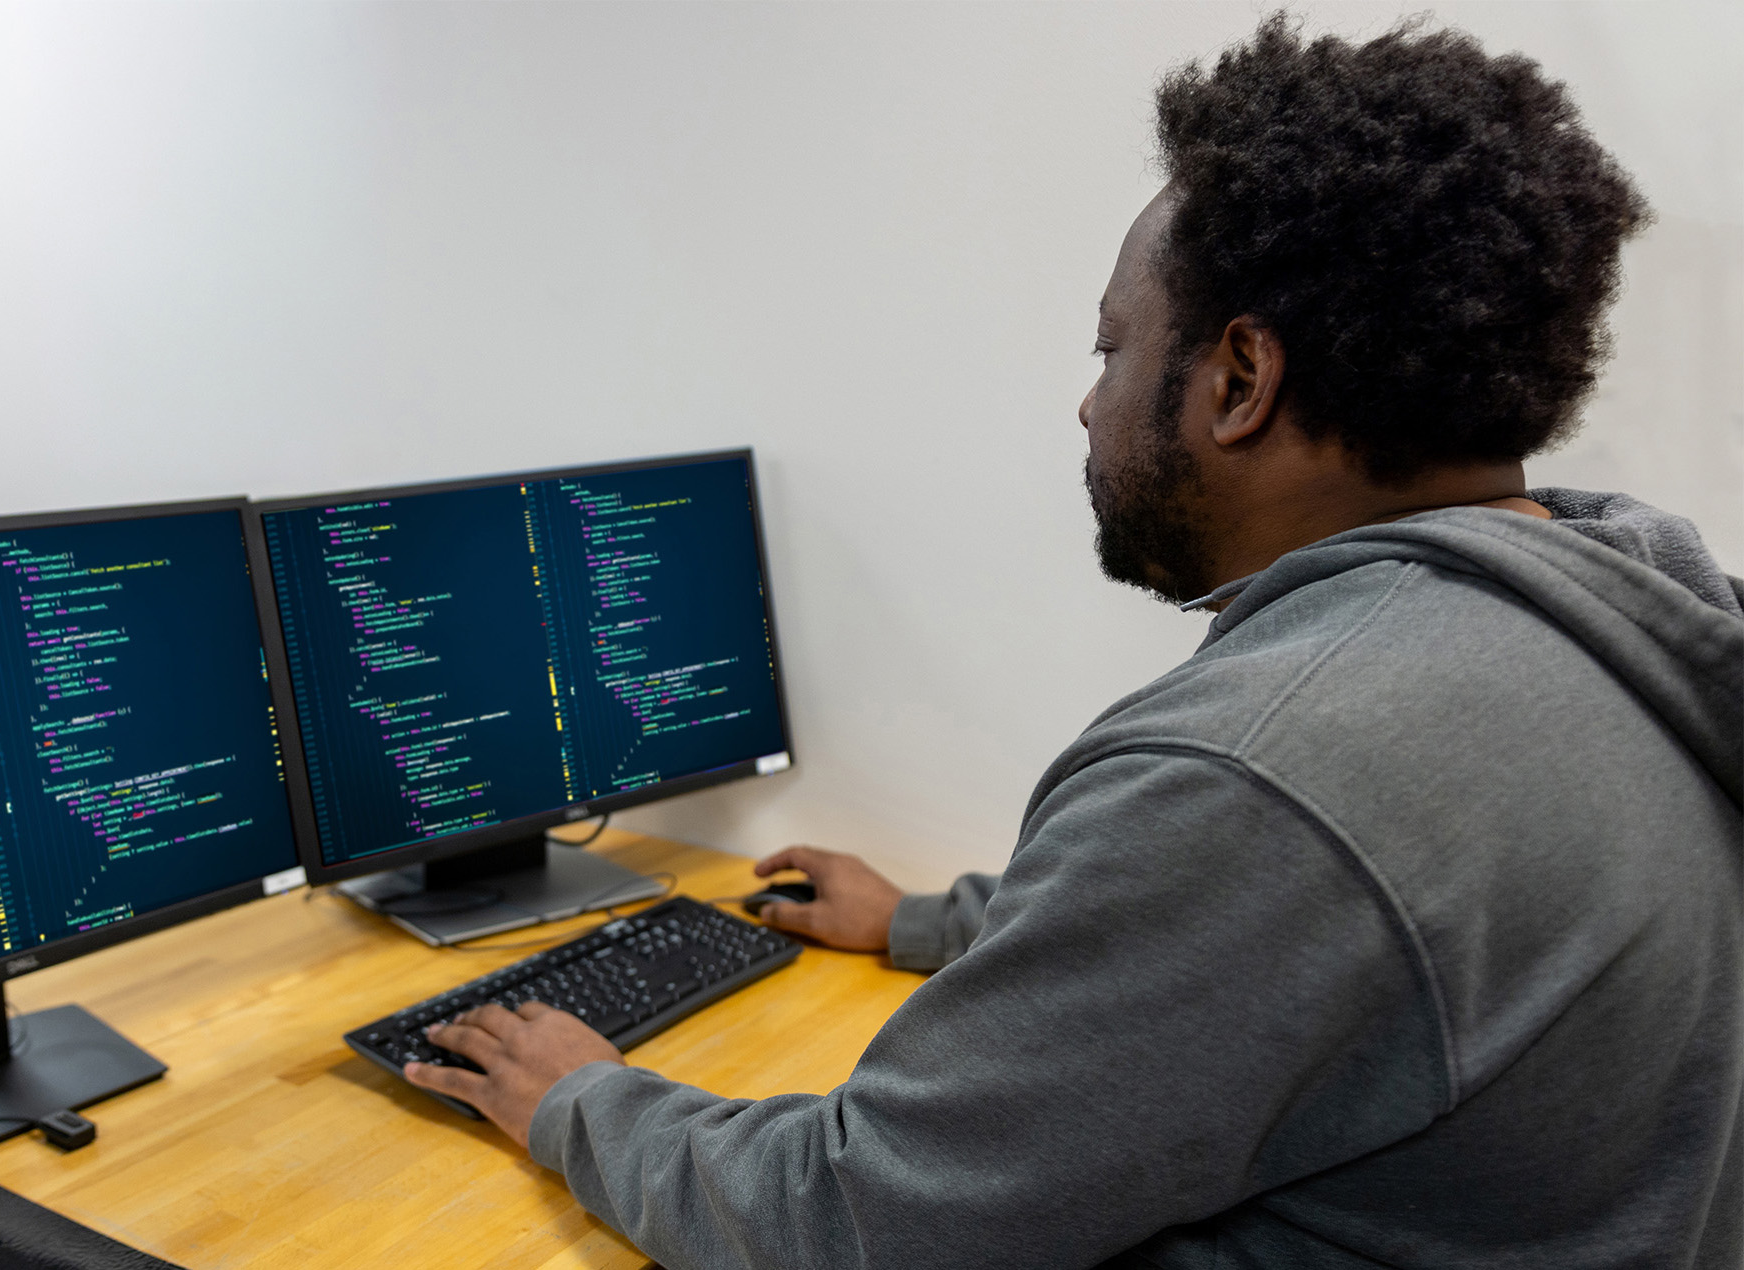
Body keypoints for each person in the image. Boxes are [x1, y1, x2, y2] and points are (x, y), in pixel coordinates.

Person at [405, 14, 1743, 1267]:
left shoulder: (1271, 769)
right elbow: (1281, 951)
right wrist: (925, 920)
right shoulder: (1605, 618)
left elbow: (852, 1217)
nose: (1089, 406)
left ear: (1240, 379)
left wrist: (580, 1097)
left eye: (1111, 349)